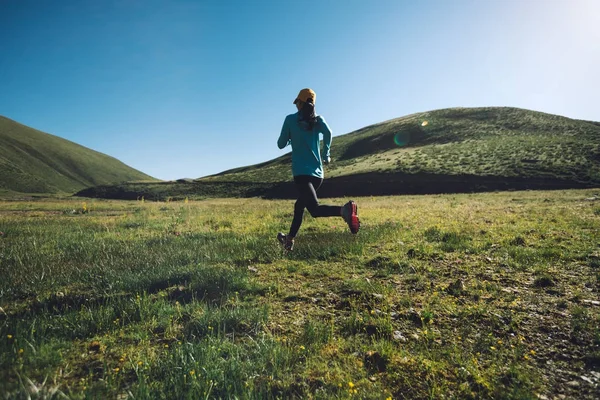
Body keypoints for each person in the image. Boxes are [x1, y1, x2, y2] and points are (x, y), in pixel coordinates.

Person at [276, 88, 360, 251]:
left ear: (300, 103)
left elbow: (280, 144)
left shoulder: (291, 120)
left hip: (301, 174)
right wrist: (326, 153)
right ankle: (289, 240)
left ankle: (344, 210)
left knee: (314, 209)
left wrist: (289, 137)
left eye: (297, 103)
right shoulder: (318, 120)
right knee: (299, 206)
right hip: (317, 175)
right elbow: (328, 132)